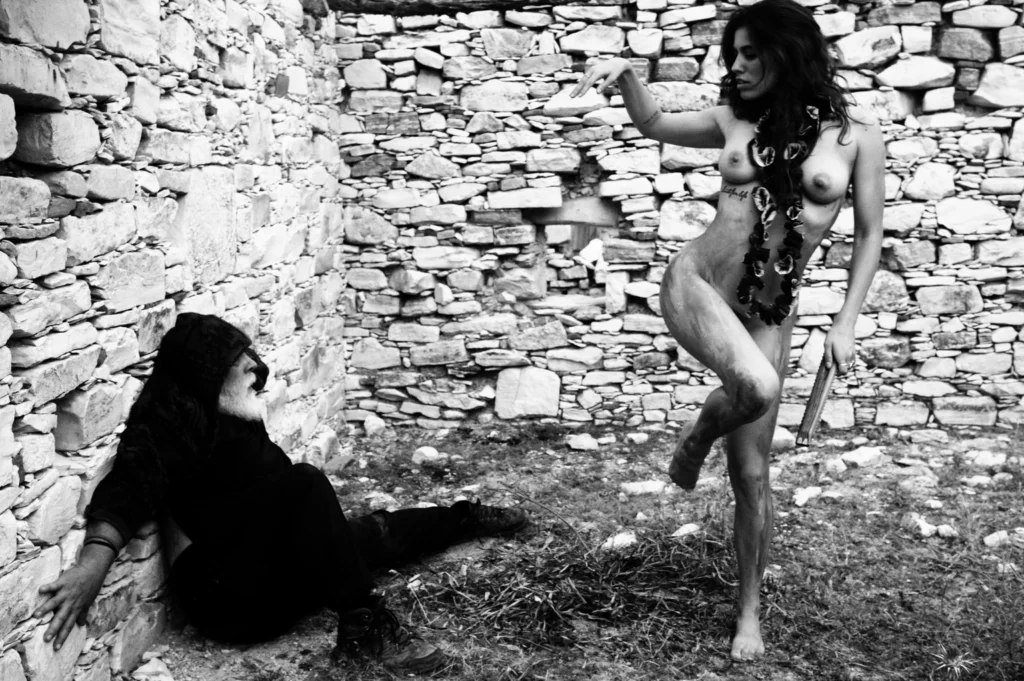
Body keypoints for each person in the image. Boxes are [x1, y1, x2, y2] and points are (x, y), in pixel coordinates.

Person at [571, 0, 884, 661]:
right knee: (758, 386)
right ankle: (696, 438)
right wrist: (627, 77)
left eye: (749, 53)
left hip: (770, 308)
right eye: (731, 54)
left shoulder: (856, 137)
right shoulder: (732, 119)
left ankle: (748, 609)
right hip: (700, 283)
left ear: (787, 52)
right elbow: (654, 121)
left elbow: (869, 232)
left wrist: (846, 321)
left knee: (751, 472)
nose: (736, 66)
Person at [33, 312, 528, 674]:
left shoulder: (236, 411)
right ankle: (365, 627)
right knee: (307, 484)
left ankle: (465, 519)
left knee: (368, 536)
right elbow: (126, 491)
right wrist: (92, 565)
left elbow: (274, 508)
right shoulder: (170, 425)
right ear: (209, 371)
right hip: (228, 600)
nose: (255, 364)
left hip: (269, 570)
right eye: (240, 358)